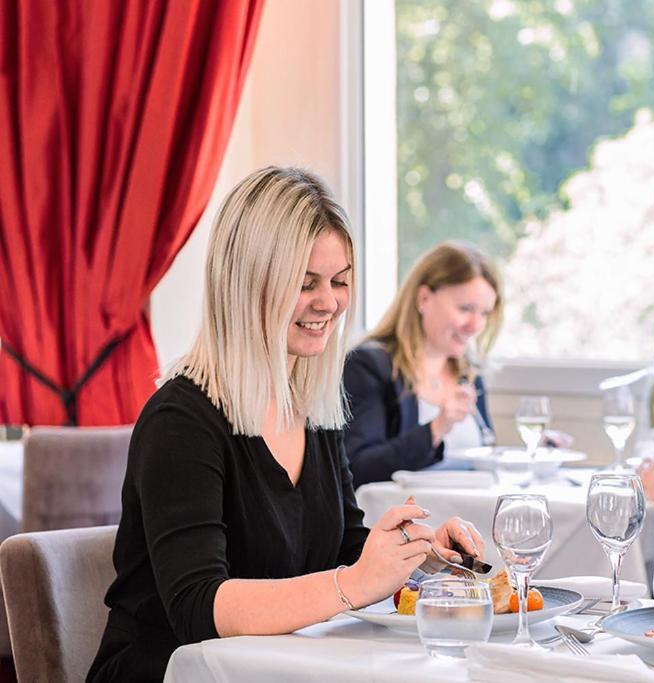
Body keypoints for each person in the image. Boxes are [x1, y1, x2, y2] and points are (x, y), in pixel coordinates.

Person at [88, 168, 483, 682]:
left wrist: (418, 555)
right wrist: (353, 584)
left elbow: (342, 546)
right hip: (173, 670)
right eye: (305, 283)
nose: (328, 302)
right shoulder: (180, 420)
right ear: (248, 283)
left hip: (279, 664)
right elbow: (198, 606)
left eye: (340, 281)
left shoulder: (314, 408)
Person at [343, 241, 503, 488]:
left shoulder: (469, 375)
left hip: (469, 519)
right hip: (406, 521)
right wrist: (437, 429)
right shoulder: (369, 366)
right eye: (465, 309)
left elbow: (485, 459)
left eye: (484, 313)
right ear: (424, 298)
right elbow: (359, 467)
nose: (476, 325)